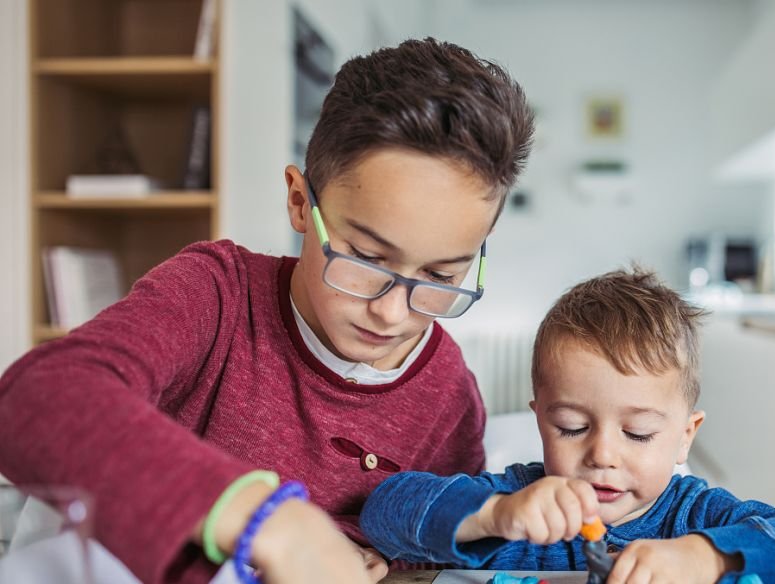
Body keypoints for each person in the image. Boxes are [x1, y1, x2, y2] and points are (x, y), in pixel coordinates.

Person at [0, 38, 534, 584]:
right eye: (368, 259)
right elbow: (36, 398)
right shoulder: (217, 294)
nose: (394, 313)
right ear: (301, 203)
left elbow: (433, 555)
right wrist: (268, 520)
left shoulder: (448, 396)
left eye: (441, 277)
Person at [359, 268, 775, 583]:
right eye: (573, 427)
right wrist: (494, 515)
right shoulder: (520, 501)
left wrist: (709, 557)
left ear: (686, 435)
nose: (602, 454)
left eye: (638, 433)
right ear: (540, 422)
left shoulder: (695, 516)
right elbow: (385, 509)